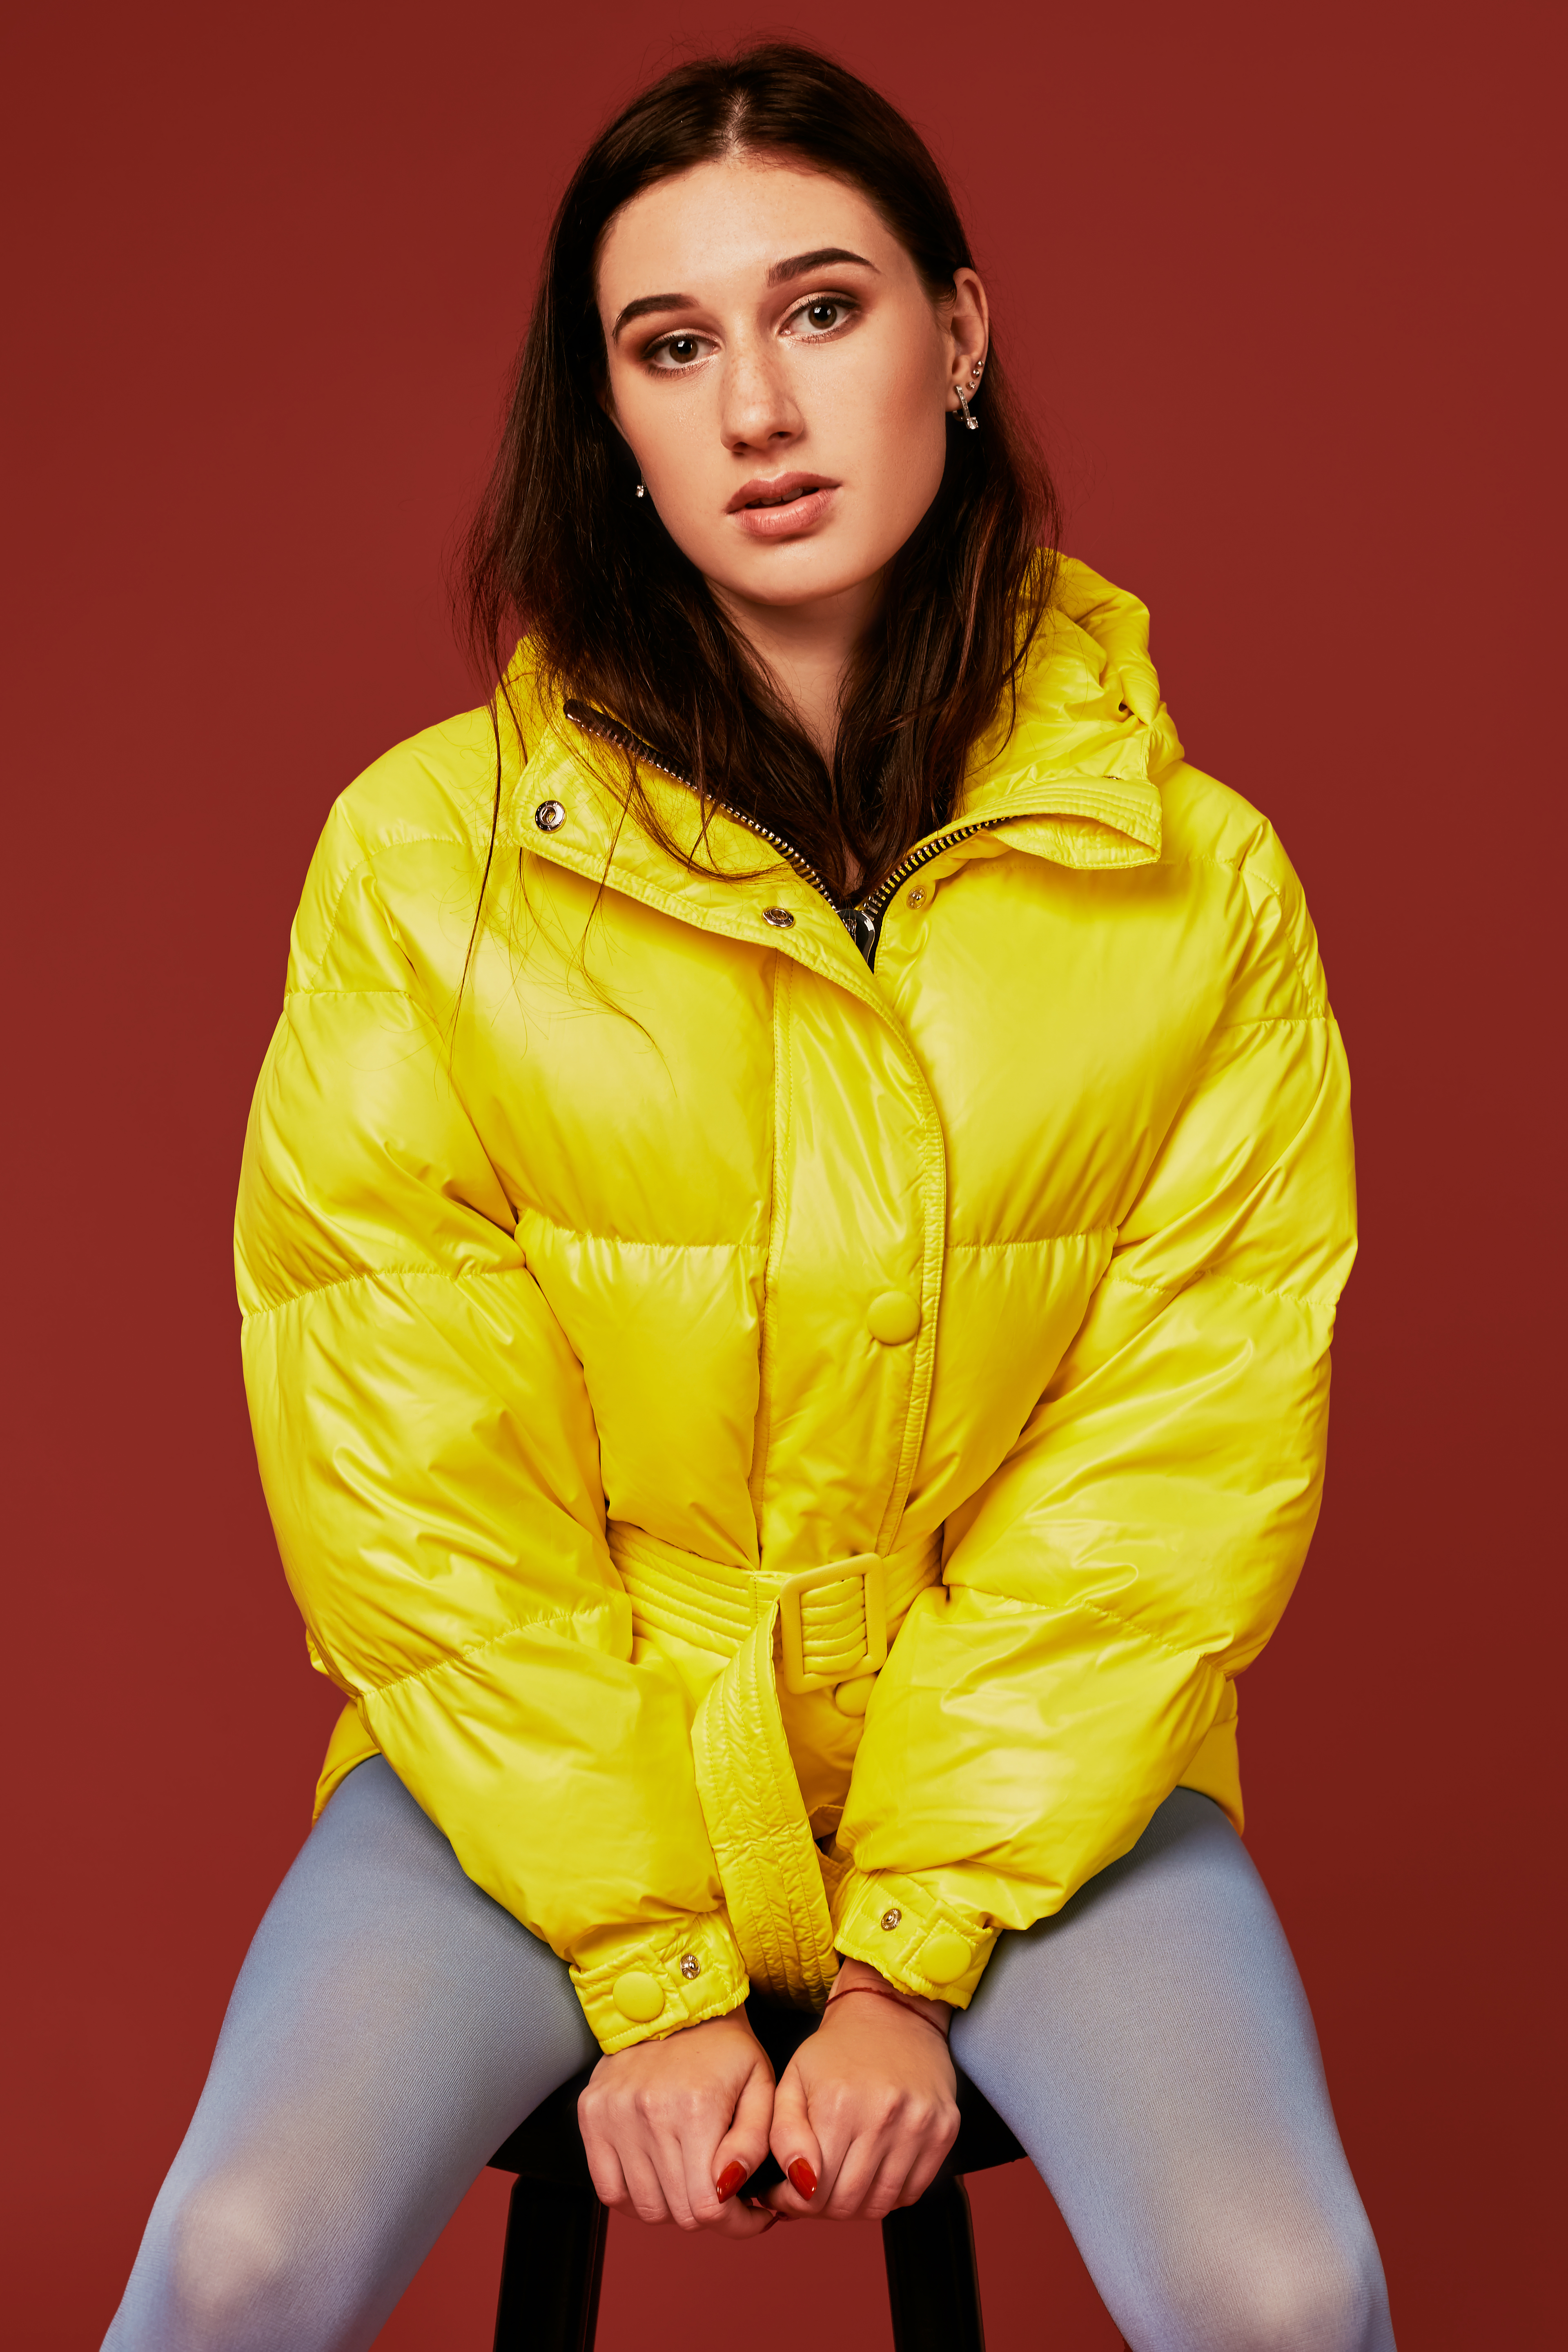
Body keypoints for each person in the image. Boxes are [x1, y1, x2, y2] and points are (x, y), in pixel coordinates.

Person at [105, 41, 1395, 2352]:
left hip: (1034, 1800)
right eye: (669, 346)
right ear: (609, 416)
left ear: (960, 340)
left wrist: (909, 1955)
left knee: (1285, 2297)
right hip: (541, 1785)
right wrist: (645, 1961)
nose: (756, 408)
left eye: (823, 311)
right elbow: (412, 1476)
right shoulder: (424, 867)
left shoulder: (1206, 893)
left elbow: (1175, 1481)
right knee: (238, 2261)